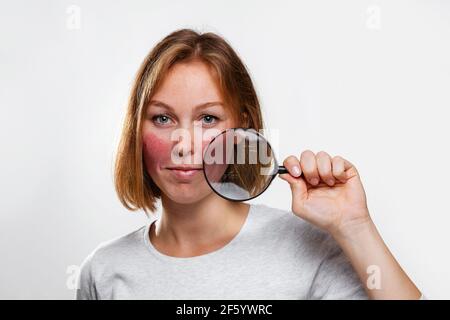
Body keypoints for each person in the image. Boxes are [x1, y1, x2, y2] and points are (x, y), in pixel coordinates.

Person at [76, 29, 423, 300]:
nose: (184, 144)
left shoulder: (305, 247)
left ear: (241, 127)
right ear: (137, 128)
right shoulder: (104, 270)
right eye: (163, 118)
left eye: (208, 118)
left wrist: (355, 227)